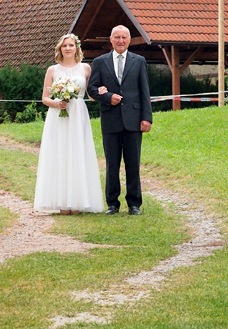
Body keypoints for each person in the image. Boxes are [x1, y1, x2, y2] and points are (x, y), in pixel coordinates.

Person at [34, 33, 104, 214]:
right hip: (58, 115)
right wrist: (57, 103)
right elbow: (44, 98)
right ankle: (62, 202)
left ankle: (78, 201)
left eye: (71, 45)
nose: (68, 48)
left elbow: (90, 94)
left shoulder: (86, 69)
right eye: (64, 46)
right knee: (60, 154)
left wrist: (102, 91)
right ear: (60, 49)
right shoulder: (52, 70)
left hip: (78, 114)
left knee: (77, 153)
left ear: (76, 48)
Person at [88, 25, 153, 215]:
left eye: (124, 37)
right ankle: (112, 204)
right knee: (112, 164)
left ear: (129, 40)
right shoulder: (100, 62)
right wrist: (108, 97)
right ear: (111, 39)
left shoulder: (139, 61)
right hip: (111, 120)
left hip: (134, 120)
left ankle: (134, 204)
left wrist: (146, 118)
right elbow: (92, 89)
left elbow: (144, 91)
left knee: (133, 164)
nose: (120, 41)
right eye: (117, 37)